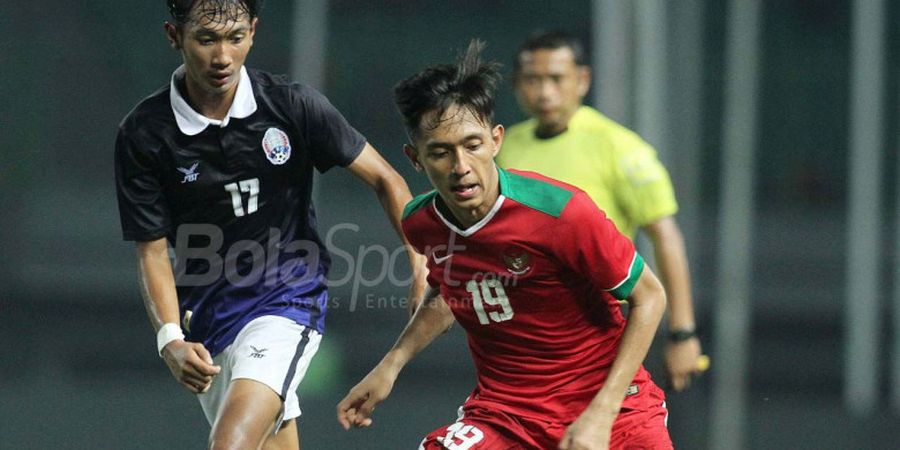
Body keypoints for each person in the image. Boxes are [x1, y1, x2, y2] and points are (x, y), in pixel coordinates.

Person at [113, 1, 425, 449]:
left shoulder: (291, 105)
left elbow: (385, 178)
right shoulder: (144, 134)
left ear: (254, 32)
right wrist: (170, 339)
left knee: (230, 445)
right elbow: (152, 249)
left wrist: (419, 264)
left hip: (286, 299)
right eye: (207, 39)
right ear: (173, 35)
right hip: (209, 320)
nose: (223, 56)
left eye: (236, 37)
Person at [337, 40, 673, 450]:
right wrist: (390, 366)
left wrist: (601, 413)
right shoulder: (422, 223)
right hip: (506, 415)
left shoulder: (562, 212)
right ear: (415, 159)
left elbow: (650, 296)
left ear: (496, 140)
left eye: (472, 145)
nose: (461, 167)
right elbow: (449, 293)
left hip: (613, 410)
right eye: (441, 153)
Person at [496, 30, 703, 391]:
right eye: (533, 80)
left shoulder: (620, 147)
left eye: (556, 79)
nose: (545, 92)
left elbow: (666, 236)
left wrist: (682, 331)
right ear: (516, 84)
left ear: (583, 80)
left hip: (598, 329)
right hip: (523, 335)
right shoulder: (506, 146)